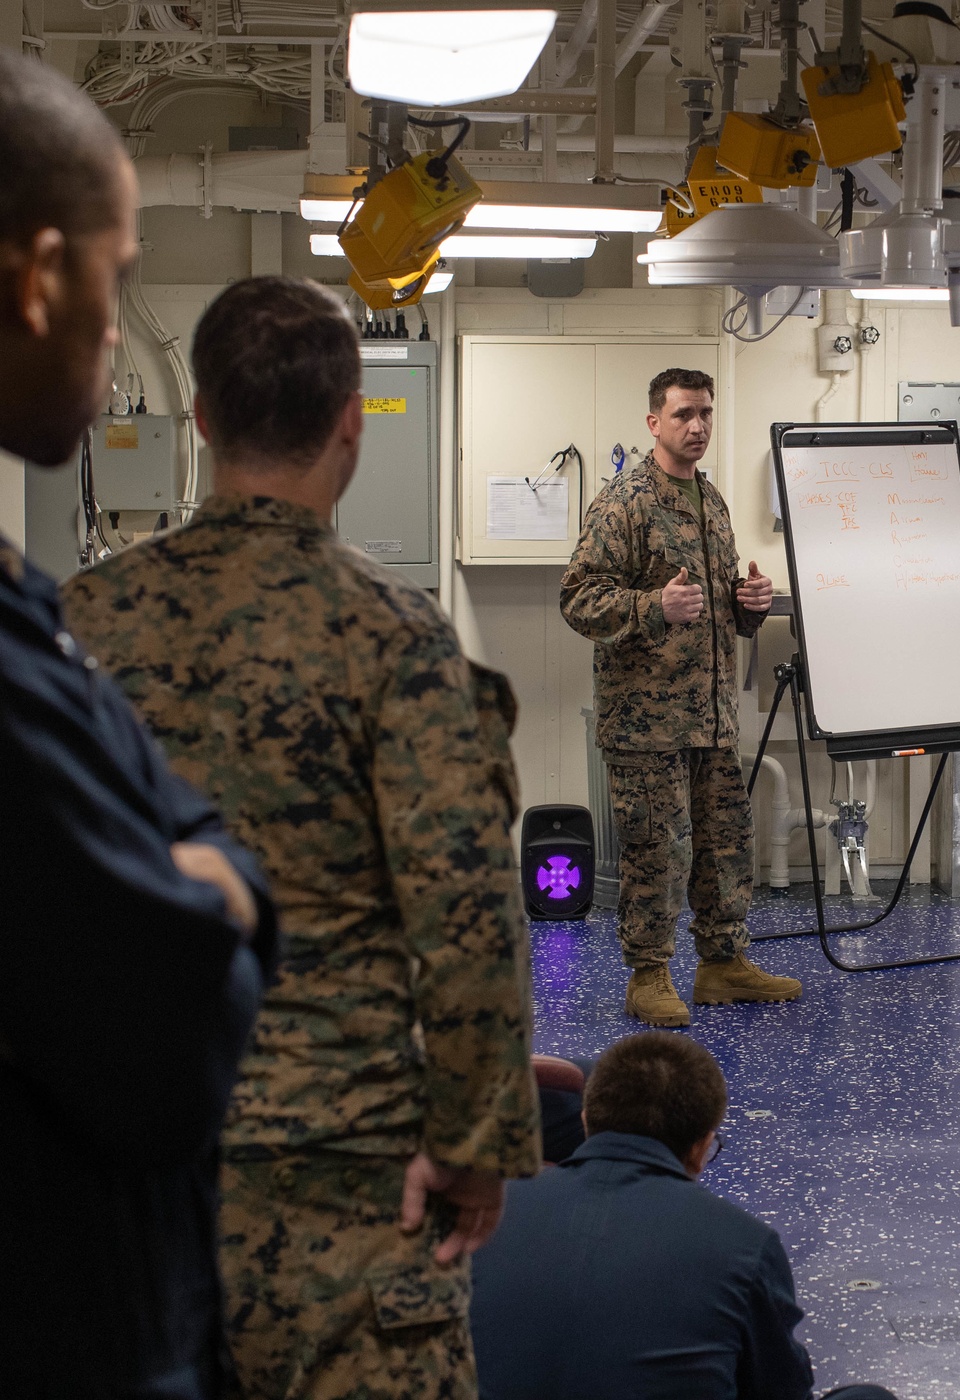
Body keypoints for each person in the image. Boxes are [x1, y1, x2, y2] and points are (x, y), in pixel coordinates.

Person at [61, 275, 542, 1400]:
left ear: (203, 422)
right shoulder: (394, 639)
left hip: (127, 1176)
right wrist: (476, 1141)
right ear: (349, 428)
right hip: (346, 1180)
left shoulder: (80, 627)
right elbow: (465, 917)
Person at [0, 50, 279, 1400]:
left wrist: (196, 885)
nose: (115, 333)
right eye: (112, 277)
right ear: (36, 277)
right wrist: (214, 889)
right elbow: (170, 1037)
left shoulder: (39, 607)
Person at [560, 367, 801, 1027]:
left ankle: (723, 965)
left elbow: (717, 603)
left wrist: (748, 605)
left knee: (728, 841)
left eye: (705, 415)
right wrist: (653, 606)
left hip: (713, 715)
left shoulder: (712, 502)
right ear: (654, 423)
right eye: (683, 415)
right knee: (654, 849)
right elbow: (578, 597)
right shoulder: (625, 501)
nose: (696, 427)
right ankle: (649, 974)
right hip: (646, 721)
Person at [470, 1033, 899, 1400]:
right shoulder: (744, 1245)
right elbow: (780, 1390)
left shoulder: (482, 1217)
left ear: (585, 1118)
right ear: (701, 1145)